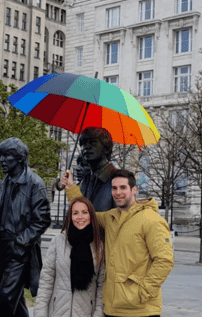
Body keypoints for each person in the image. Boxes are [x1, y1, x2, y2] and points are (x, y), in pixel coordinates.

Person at [62, 169, 173, 317]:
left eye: (123, 187)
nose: (117, 192)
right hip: (112, 309)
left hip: (141, 311)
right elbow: (86, 214)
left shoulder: (152, 220)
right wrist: (71, 188)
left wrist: (142, 293)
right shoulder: (110, 218)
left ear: (134, 189)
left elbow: (164, 261)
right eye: (114, 188)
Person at [0, 137, 51, 317]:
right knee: (16, 305)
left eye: (7, 156)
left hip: (19, 250)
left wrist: (20, 243)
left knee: (3, 300)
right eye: (0, 156)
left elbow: (42, 219)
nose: (2, 160)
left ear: (19, 158)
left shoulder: (35, 183)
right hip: (2, 247)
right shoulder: (4, 182)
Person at [34, 197, 105, 317]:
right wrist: (40, 313)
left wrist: (98, 314)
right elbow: (46, 282)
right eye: (75, 213)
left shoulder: (99, 245)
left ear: (91, 215)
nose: (80, 217)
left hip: (86, 312)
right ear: (70, 217)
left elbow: (102, 285)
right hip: (58, 312)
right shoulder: (58, 241)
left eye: (84, 212)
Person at [76, 127, 118, 212]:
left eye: (93, 142)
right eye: (83, 143)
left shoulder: (118, 179)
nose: (86, 147)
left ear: (106, 149)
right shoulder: (84, 181)